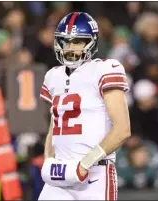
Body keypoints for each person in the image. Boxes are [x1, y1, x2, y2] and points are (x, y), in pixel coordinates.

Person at [38, 12, 131, 200]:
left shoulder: (104, 69)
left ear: (91, 43)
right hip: (61, 174)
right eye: (65, 41)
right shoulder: (53, 76)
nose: (70, 47)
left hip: (95, 174)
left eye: (78, 41)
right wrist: (49, 160)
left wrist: (84, 164)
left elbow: (122, 129)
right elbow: (54, 127)